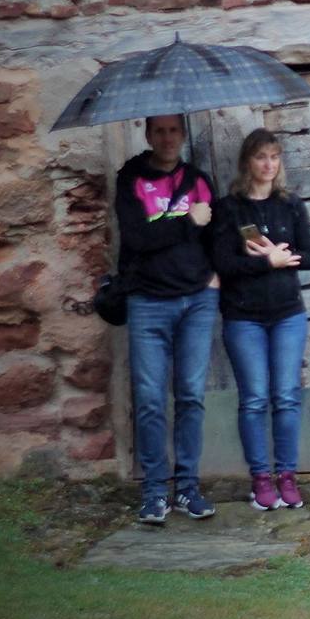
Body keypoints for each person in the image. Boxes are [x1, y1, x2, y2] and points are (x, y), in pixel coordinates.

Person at [116, 114, 219, 525]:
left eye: (174, 130)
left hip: (196, 302)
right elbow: (137, 237)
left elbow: (215, 232)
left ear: (183, 134)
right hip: (147, 302)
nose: (167, 138)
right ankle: (155, 492)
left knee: (191, 395)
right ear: (147, 135)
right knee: (151, 400)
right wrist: (183, 221)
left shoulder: (198, 180)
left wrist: (215, 276)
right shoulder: (131, 179)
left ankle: (187, 488)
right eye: (159, 130)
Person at [212, 128, 310, 511]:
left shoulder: (290, 205)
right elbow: (223, 263)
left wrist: (285, 257)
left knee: (286, 397)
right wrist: (266, 261)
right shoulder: (229, 209)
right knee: (255, 399)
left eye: (275, 157)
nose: (269, 165)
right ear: (247, 162)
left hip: (288, 314)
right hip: (244, 318)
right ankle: (261, 480)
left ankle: (287, 476)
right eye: (261, 157)